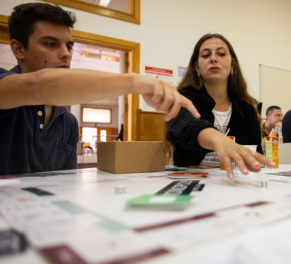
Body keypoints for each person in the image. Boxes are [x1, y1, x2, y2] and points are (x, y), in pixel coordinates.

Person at [0, 3, 199, 175]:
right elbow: (36, 86)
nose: (65, 54)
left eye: (69, 46)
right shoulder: (4, 87)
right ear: (19, 49)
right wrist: (136, 82)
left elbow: (65, 183)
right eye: (51, 44)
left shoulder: (67, 122)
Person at [167, 33, 273, 179]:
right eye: (206, 55)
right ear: (197, 67)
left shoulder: (246, 108)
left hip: (235, 181)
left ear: (232, 65)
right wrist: (219, 140)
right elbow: (185, 125)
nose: (213, 58)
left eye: (221, 54)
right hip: (191, 181)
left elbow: (254, 154)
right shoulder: (184, 98)